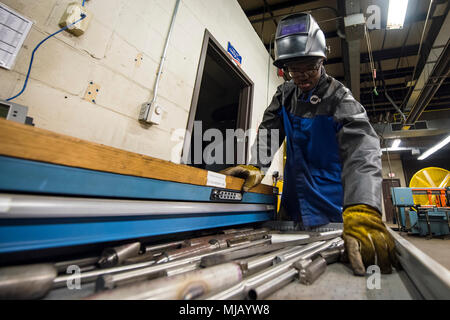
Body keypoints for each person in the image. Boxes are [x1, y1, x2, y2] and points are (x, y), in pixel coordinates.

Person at [221, 13, 398, 276]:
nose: (302, 76)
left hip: (334, 210)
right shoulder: (284, 95)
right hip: (293, 207)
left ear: (322, 61)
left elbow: (362, 151)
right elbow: (270, 130)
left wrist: (362, 207)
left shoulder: (340, 99)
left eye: (309, 68)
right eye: (294, 69)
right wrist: (256, 166)